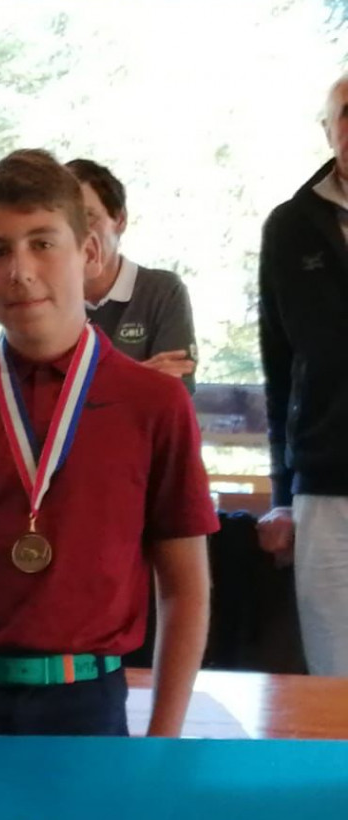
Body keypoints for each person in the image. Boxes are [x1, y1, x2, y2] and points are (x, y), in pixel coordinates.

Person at [0, 149, 214, 736]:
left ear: (90, 252)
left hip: (83, 704)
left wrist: (164, 739)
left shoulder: (155, 404)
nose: (19, 271)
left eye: (42, 243)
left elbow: (185, 587)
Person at [256, 72, 348, 675]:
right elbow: (279, 368)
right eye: (347, 113)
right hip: (325, 487)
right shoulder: (291, 226)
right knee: (335, 674)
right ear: (327, 129)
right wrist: (282, 495)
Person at [64, 158, 198, 393]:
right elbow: (39, 397)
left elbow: (175, 392)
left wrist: (84, 386)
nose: (77, 232)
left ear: (120, 220)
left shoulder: (162, 291)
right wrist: (138, 376)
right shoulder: (46, 296)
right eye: (64, 220)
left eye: (88, 217)